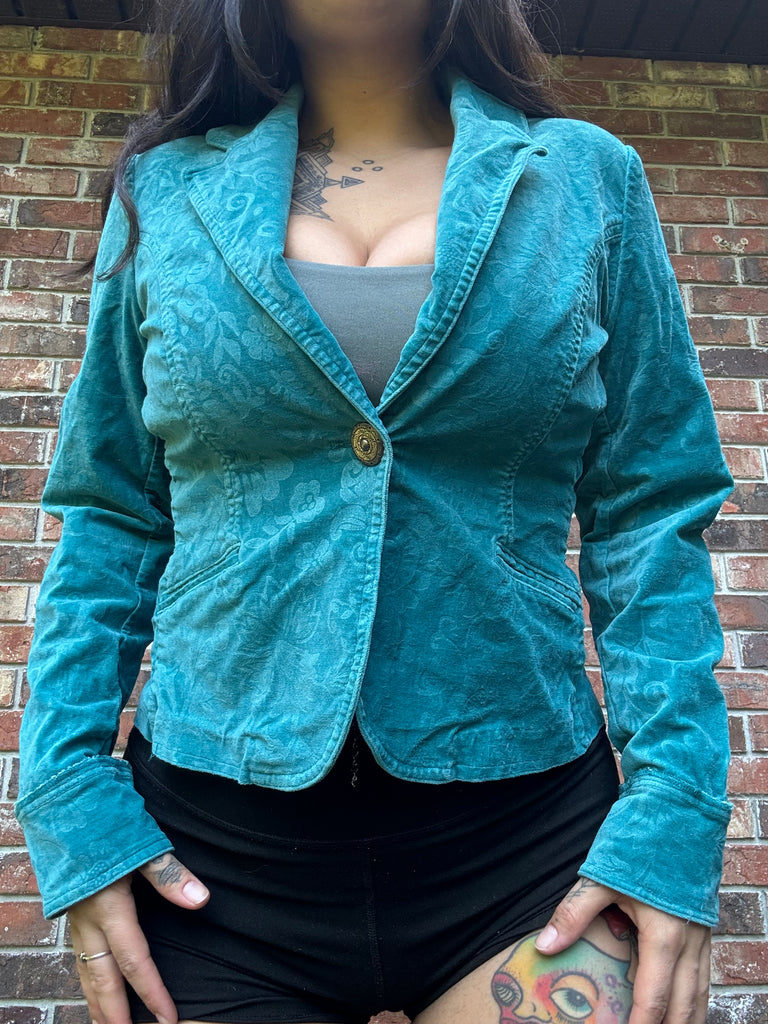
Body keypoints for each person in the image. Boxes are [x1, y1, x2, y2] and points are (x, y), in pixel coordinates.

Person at [16, 1, 734, 1023]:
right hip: (211, 857)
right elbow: (111, 513)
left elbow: (650, 507)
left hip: (528, 841)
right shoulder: (166, 191)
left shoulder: (585, 178)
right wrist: (68, 797)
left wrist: (673, 815)